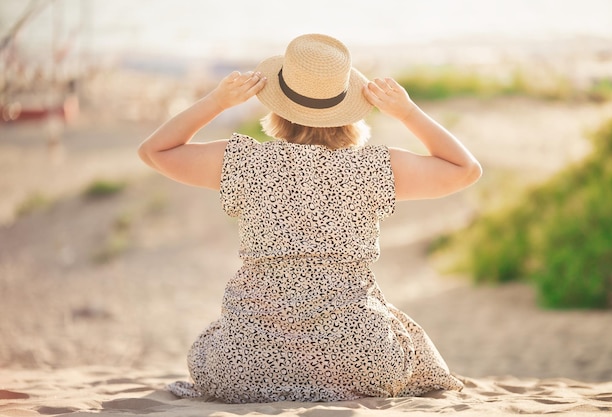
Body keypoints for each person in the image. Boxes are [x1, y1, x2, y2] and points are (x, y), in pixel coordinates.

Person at [137, 33, 482, 403]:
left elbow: (154, 151)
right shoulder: (374, 167)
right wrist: (407, 112)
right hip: (361, 359)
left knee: (213, 343)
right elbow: (465, 169)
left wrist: (216, 101)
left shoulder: (245, 162)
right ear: (349, 106)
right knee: (405, 342)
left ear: (277, 107)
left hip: (244, 365)